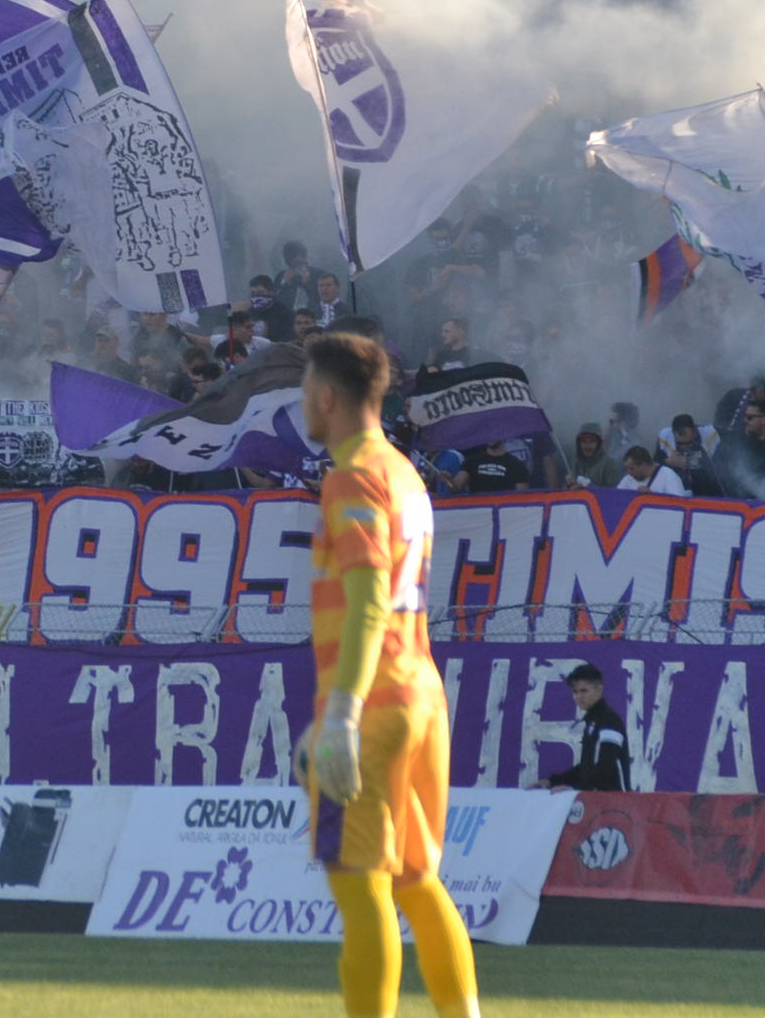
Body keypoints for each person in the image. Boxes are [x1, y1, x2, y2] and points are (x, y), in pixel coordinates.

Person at [295, 331, 480, 1018]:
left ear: (327, 396)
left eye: (304, 390)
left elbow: (370, 596)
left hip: (373, 704)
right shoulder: (405, 471)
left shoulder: (351, 475)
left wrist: (340, 712)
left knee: (360, 883)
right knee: (416, 881)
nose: (301, 403)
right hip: (420, 693)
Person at [538, 663, 631, 792]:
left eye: (584, 691)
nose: (578, 697)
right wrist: (551, 781)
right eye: (575, 692)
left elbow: (607, 765)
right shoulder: (592, 722)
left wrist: (574, 788)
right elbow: (587, 768)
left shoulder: (610, 721)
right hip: (599, 798)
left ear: (599, 690)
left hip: (615, 799)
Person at [617, 445, 686, 497]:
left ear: (643, 465)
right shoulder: (628, 479)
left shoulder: (668, 476)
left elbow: (679, 504)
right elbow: (617, 498)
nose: (628, 472)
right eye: (627, 468)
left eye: (631, 468)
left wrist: (653, 498)